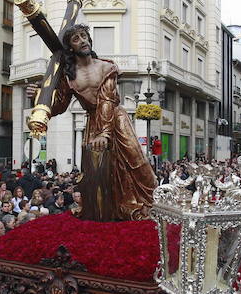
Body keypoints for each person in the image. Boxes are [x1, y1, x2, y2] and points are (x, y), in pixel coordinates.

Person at [28, 24, 156, 221]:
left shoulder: (106, 67)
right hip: (92, 122)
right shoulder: (69, 76)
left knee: (136, 160)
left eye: (84, 36)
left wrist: (104, 133)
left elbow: (107, 100)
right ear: (70, 47)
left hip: (115, 117)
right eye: (76, 38)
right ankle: (106, 210)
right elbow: (60, 106)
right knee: (97, 172)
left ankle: (152, 200)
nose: (83, 40)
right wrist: (39, 97)